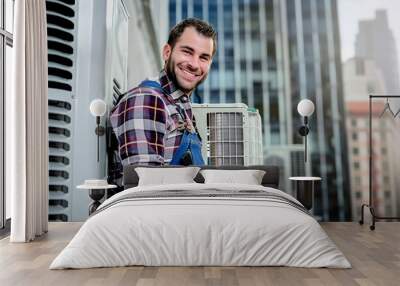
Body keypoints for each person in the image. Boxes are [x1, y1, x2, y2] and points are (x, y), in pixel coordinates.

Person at [110, 18, 217, 166]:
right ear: (167, 52)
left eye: (203, 58)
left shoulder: (180, 106)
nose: (194, 64)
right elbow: (144, 184)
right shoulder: (147, 99)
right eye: (187, 52)